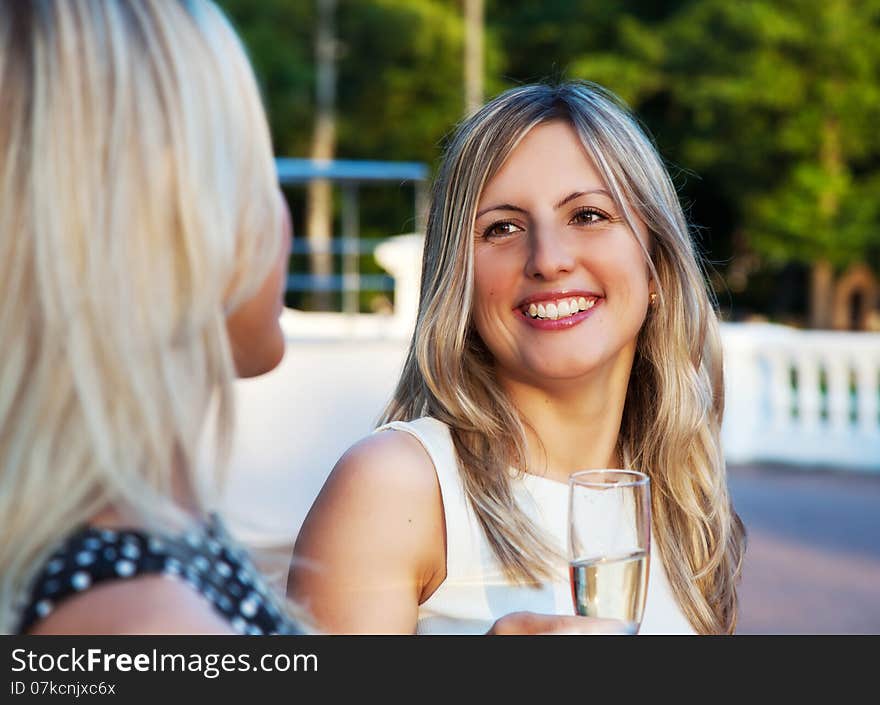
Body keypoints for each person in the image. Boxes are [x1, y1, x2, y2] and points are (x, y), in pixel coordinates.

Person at [288, 81, 746, 635]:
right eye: (502, 227)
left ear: (655, 264)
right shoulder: (395, 486)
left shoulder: (683, 507)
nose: (548, 260)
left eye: (588, 215)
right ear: (458, 279)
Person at [0, 0, 303, 635]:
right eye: (255, 170)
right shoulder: (144, 622)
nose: (280, 212)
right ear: (173, 230)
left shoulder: (114, 552)